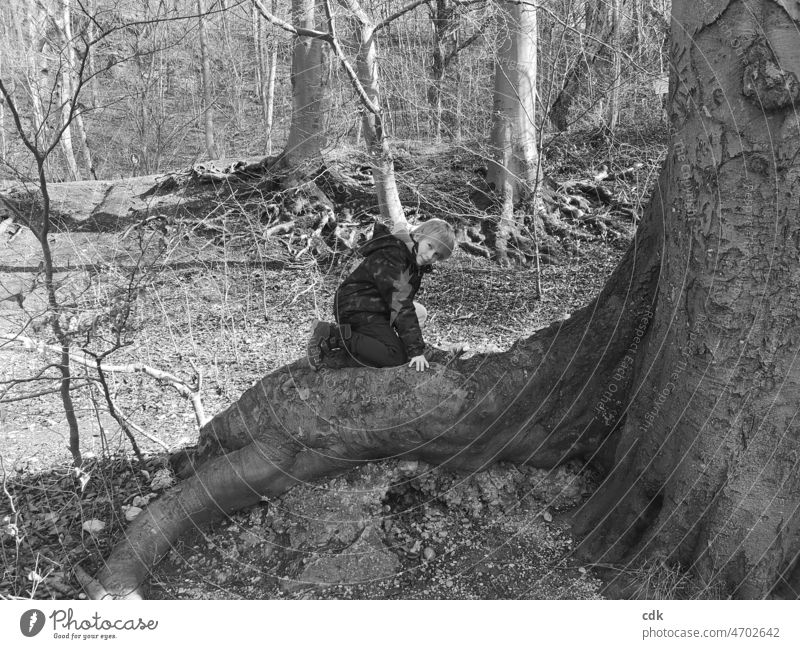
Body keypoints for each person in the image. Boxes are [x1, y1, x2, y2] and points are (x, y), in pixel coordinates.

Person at [307, 218, 456, 371]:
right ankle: (334, 335)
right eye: (430, 246)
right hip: (357, 307)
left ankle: (367, 347)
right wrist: (415, 351)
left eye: (437, 255)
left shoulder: (412, 261)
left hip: (376, 307)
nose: (431, 256)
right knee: (396, 356)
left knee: (420, 313)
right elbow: (400, 304)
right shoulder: (394, 254)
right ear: (418, 236)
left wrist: (412, 344)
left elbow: (401, 304)